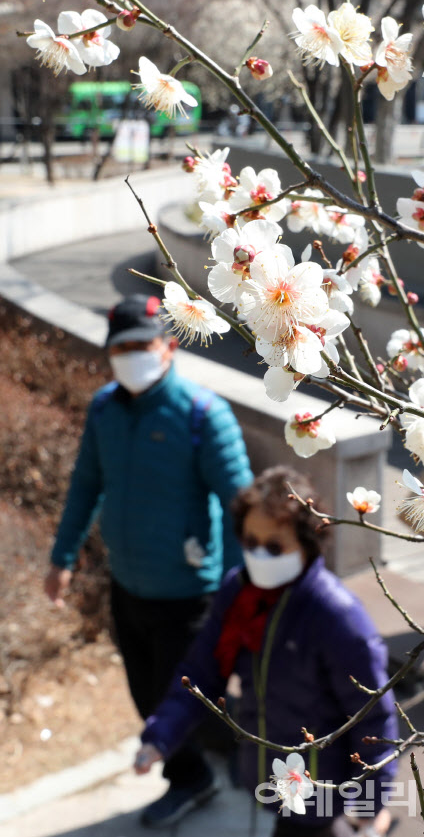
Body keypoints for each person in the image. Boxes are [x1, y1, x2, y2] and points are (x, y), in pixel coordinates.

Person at [44, 293, 253, 827]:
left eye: (143, 344)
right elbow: (85, 485)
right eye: (122, 347)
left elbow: (243, 509)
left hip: (189, 592)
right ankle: (215, 750)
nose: (132, 355)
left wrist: (245, 588)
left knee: (171, 694)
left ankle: (191, 778)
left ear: (170, 346)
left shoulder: (205, 414)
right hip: (128, 582)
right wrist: (62, 556)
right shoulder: (104, 409)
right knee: (145, 689)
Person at [134, 466, 399, 837]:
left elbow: (373, 718)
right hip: (271, 773)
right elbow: (202, 670)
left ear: (307, 541)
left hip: (320, 784)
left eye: (275, 546)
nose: (260, 555)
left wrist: (373, 804)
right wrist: (162, 734)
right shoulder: (239, 593)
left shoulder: (336, 616)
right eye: (250, 542)